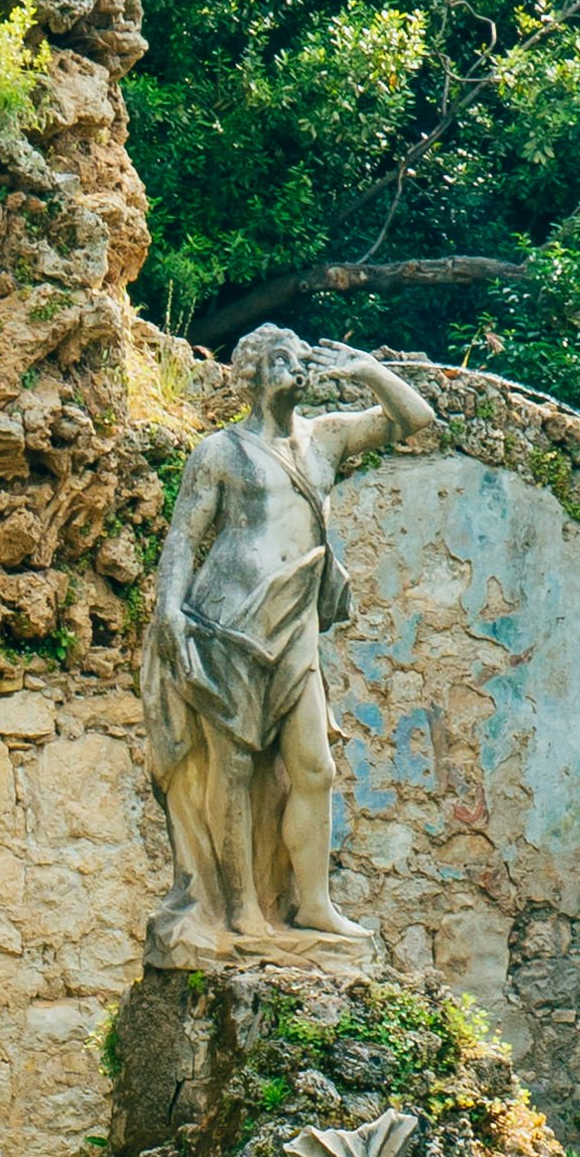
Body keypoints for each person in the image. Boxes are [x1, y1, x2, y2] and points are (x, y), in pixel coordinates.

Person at [142, 324, 436, 956]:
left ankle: (315, 904)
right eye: (280, 360)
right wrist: (168, 610)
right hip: (227, 623)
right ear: (249, 373)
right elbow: (184, 539)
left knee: (315, 766)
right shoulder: (220, 451)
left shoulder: (325, 438)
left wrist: (366, 369)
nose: (296, 369)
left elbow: (416, 418)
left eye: (302, 360)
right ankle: (242, 906)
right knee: (237, 766)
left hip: (295, 625)